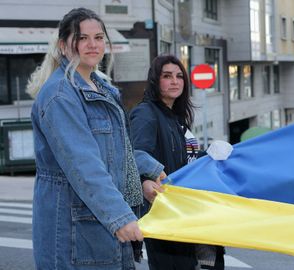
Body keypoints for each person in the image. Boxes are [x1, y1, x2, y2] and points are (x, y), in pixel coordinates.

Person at [28, 8, 164, 269]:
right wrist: (120, 217)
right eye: (82, 38)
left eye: (99, 37)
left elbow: (118, 152)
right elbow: (84, 165)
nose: (92, 44)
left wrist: (148, 173)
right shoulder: (60, 96)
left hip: (101, 230)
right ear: (63, 45)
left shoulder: (101, 88)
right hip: (74, 234)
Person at [130, 55, 225, 270]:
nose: (175, 81)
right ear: (155, 80)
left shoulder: (174, 116)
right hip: (166, 212)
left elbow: (182, 160)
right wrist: (150, 177)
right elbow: (134, 154)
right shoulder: (146, 113)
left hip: (188, 210)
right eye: (167, 76)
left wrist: (209, 156)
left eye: (179, 76)